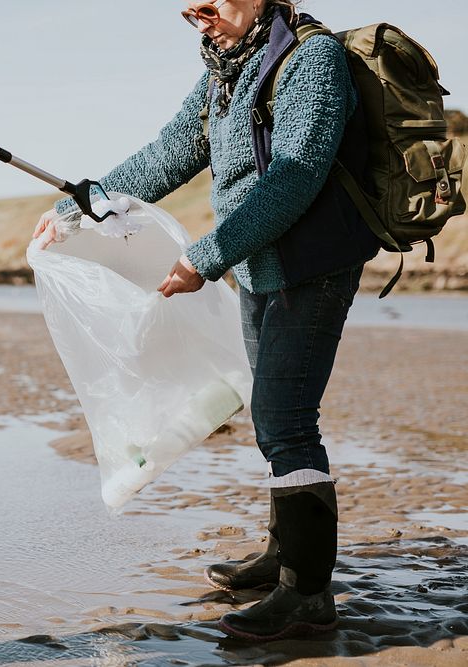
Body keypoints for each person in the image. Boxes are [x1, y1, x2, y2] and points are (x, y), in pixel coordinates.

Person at [34, 0, 380, 642]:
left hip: (314, 267)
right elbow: (166, 155)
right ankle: (284, 557)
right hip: (257, 268)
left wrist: (206, 256)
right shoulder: (224, 70)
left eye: (212, 2)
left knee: (285, 418)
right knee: (272, 411)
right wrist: (77, 209)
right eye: (189, 7)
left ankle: (307, 594)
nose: (200, 16)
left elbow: (293, 182)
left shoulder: (313, 61)